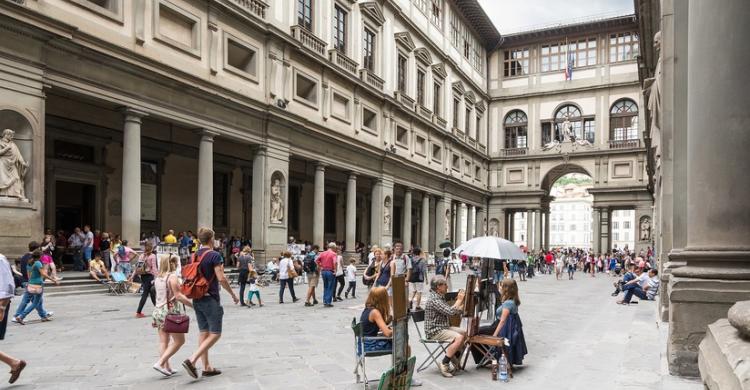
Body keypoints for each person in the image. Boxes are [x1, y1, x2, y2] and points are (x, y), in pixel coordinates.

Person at [182, 227, 239, 379]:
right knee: (215, 333)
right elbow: (221, 278)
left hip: (196, 297)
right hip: (210, 298)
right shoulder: (214, 255)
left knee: (204, 332)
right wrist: (233, 294)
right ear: (212, 239)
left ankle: (206, 367)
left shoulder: (194, 255)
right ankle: (192, 360)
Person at [358, 287, 423, 387]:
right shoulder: (375, 312)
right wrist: (396, 330)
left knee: (402, 345)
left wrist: (391, 318)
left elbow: (378, 326)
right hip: (370, 345)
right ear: (381, 298)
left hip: (363, 344)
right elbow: (387, 333)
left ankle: (399, 373)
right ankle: (405, 377)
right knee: (405, 347)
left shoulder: (368, 308)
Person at [151, 254, 192, 376]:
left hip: (158, 310)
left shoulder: (158, 278)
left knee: (164, 341)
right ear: (171, 263)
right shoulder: (172, 277)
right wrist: (192, 305)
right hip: (170, 312)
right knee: (179, 341)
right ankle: (160, 363)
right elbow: (179, 296)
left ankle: (166, 367)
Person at [470, 279, 527, 366]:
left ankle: (484, 357)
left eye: (501, 286)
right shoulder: (513, 300)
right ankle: (487, 356)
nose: (500, 287)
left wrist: (495, 334)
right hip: (503, 326)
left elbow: (502, 321)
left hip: (501, 328)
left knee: (474, 333)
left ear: (506, 289)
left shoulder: (508, 303)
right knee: (478, 330)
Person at [424, 275, 467, 378]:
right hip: (434, 330)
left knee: (464, 333)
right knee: (459, 337)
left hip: (443, 327)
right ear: (439, 286)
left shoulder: (439, 296)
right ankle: (444, 363)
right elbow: (450, 312)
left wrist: (461, 305)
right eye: (445, 285)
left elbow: (450, 310)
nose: (447, 286)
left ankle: (454, 357)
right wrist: (459, 301)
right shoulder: (434, 299)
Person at [0, 253, 26, 384]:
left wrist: (2, 308)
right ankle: (15, 363)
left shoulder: (0, 259)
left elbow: (7, 286)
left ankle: (15, 363)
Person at [14, 250, 58, 325]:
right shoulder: (38, 263)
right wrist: (54, 280)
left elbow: (29, 276)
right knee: (35, 303)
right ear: (40, 256)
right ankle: (21, 316)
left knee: (38, 301)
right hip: (38, 284)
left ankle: (43, 316)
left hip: (30, 284)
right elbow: (43, 274)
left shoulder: (29, 263)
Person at [133, 242, 158, 318]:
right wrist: (157, 277)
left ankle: (157, 309)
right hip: (149, 276)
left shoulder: (141, 255)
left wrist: (132, 276)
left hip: (143, 276)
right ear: (151, 248)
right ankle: (138, 312)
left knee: (152, 292)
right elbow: (154, 268)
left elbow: (137, 267)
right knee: (145, 294)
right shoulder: (152, 256)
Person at [317, 243, 338, 307]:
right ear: (333, 247)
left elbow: (317, 260)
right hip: (330, 271)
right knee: (330, 287)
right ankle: (328, 302)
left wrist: (321, 266)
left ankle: (325, 301)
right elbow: (335, 262)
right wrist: (335, 270)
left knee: (325, 286)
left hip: (323, 271)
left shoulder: (322, 253)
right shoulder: (334, 254)